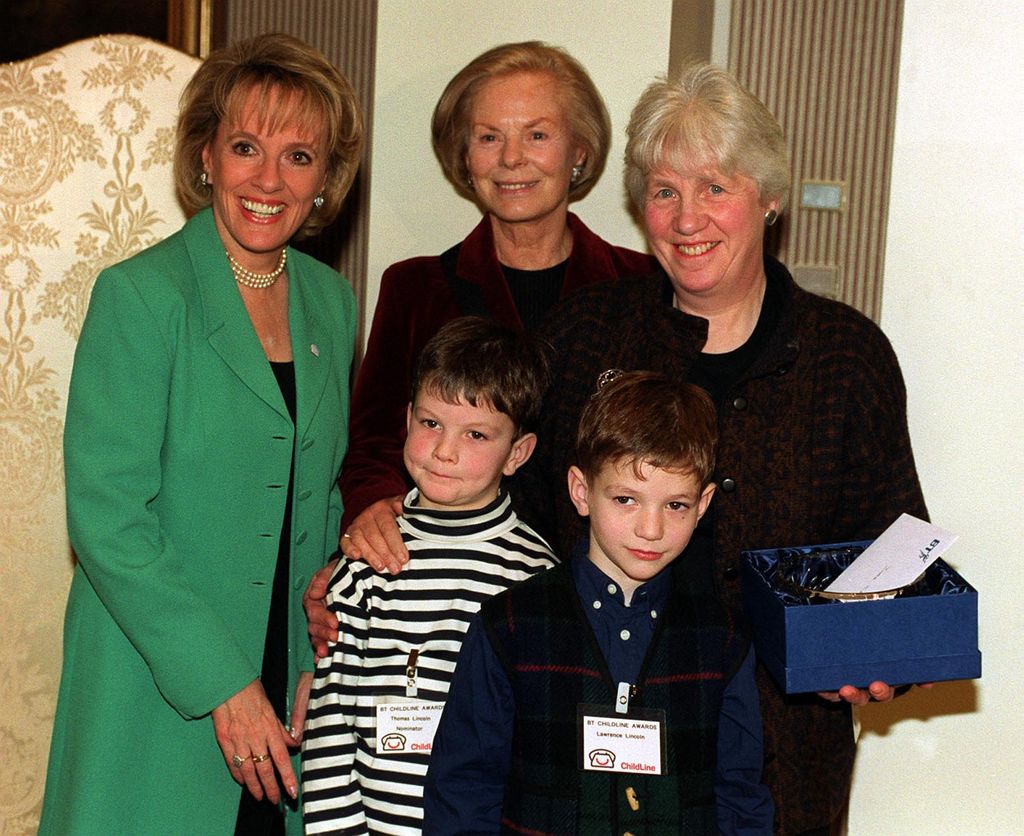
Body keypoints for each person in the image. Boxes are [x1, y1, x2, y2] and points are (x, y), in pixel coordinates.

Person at [512, 63, 928, 835]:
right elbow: (511, 519)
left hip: (780, 766)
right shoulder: (585, 336)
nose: (686, 217)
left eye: (716, 188)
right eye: (665, 191)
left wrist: (879, 663)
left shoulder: (844, 355)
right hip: (589, 752)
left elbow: (894, 551)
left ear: (769, 199)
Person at [39, 34, 363, 835]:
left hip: (287, 688)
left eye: (299, 156)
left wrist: (321, 648)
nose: (268, 179)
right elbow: (109, 520)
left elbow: (314, 499)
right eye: (246, 147)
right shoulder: (142, 297)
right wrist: (224, 682)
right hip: (156, 687)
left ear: (325, 181)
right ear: (206, 156)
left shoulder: (331, 302)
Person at [331, 40, 657, 578]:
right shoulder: (414, 288)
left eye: (536, 134)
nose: (511, 159)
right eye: (489, 137)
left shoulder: (642, 286)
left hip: (601, 584)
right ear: (464, 155)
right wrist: (371, 515)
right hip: (441, 577)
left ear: (578, 150)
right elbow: (373, 445)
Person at [423, 371, 773, 834]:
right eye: (626, 499)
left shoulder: (725, 640)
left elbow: (741, 799)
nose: (651, 529)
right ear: (581, 491)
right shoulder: (510, 625)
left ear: (704, 504)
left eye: (675, 506)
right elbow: (463, 792)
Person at [301, 317, 557, 834]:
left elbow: (540, 740)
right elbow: (331, 728)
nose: (444, 450)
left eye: (477, 434)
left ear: (519, 453)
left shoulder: (537, 576)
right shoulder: (368, 556)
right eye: (431, 423)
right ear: (407, 419)